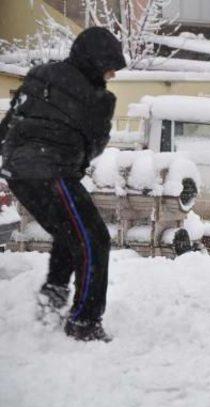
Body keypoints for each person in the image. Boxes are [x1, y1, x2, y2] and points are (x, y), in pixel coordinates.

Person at [0, 27, 126, 341]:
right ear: (96, 63)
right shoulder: (100, 98)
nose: (110, 75)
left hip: (18, 172)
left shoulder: (39, 74)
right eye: (109, 68)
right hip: (52, 172)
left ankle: (52, 297)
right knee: (95, 239)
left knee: (71, 233)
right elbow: (94, 144)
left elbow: (11, 122)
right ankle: (84, 322)